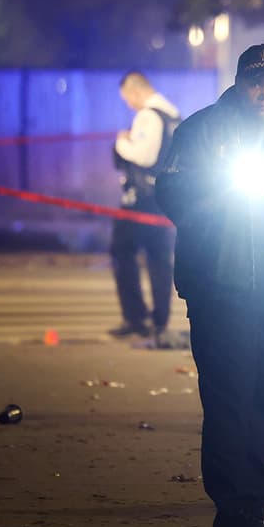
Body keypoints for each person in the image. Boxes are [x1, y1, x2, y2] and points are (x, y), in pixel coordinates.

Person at [155, 45, 264, 527]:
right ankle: (231, 513)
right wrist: (213, 220)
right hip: (221, 287)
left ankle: (252, 506)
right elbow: (170, 190)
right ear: (239, 82)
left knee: (263, 400)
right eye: (256, 82)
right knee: (230, 400)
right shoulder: (204, 129)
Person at [111, 71, 180, 341]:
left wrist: (121, 142)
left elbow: (144, 155)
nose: (129, 104)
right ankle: (160, 319)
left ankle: (135, 317)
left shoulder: (149, 116)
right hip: (165, 198)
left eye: (127, 98)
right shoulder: (174, 115)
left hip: (141, 200)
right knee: (160, 258)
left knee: (121, 250)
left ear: (135, 91)